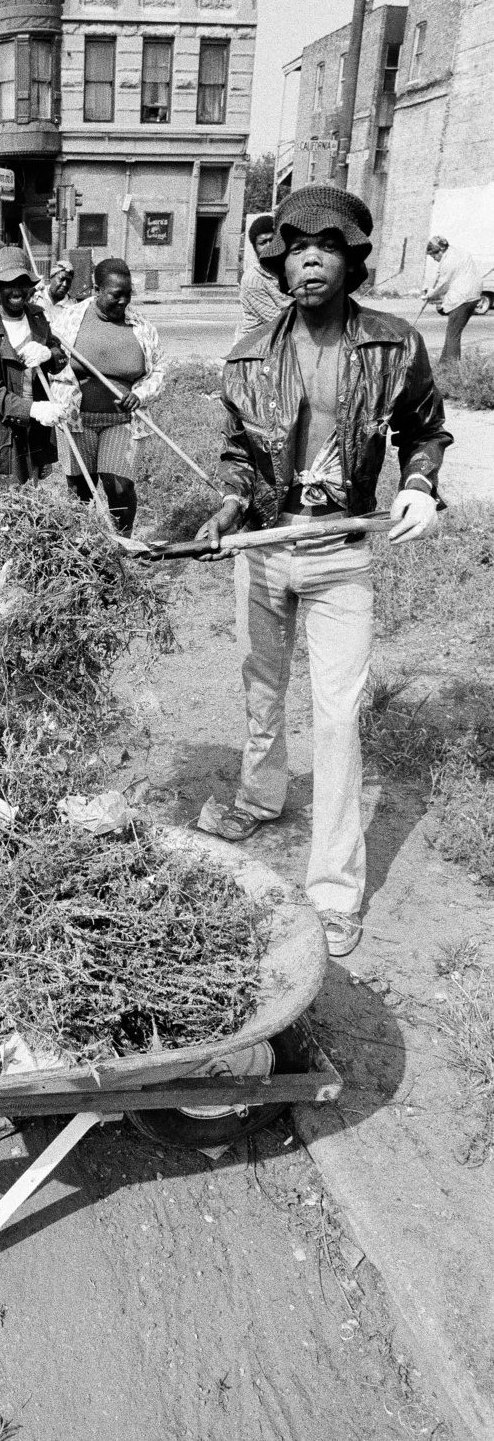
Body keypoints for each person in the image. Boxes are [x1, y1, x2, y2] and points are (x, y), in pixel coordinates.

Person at [194, 184, 452, 958]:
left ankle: (334, 891)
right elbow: (241, 457)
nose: (310, 259)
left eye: (327, 247)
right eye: (297, 247)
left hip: (343, 551)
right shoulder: (246, 354)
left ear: (350, 259)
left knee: (337, 719)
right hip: (268, 547)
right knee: (260, 688)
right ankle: (259, 794)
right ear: (279, 260)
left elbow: (424, 432)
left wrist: (416, 484)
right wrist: (230, 507)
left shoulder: (391, 344)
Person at [50, 257, 166, 535]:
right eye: (116, 294)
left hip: (122, 421)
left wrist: (140, 394)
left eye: (128, 294)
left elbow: (159, 371)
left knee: (119, 486)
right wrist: (51, 356)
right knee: (80, 490)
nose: (124, 301)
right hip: (77, 420)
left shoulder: (141, 327)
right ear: (96, 289)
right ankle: (80, 548)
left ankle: (123, 543)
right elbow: (49, 364)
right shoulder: (67, 321)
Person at [0, 246, 68, 489]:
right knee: (10, 496)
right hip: (6, 429)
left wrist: (48, 354)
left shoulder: (37, 317)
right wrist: (33, 409)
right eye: (8, 283)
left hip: (37, 428)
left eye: (22, 282)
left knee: (34, 489)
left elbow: (61, 358)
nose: (16, 290)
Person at [423, 235, 484, 366]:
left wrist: (430, 295)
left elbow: (443, 284)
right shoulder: (459, 252)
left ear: (439, 250)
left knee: (453, 334)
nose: (434, 260)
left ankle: (451, 369)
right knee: (453, 332)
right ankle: (443, 364)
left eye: (434, 256)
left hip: (462, 298)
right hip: (473, 296)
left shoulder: (448, 261)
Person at [236, 214, 292, 340]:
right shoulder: (253, 278)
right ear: (255, 248)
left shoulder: (288, 271)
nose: (268, 246)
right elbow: (279, 322)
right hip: (254, 349)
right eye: (262, 243)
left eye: (272, 240)